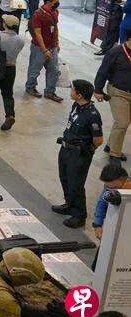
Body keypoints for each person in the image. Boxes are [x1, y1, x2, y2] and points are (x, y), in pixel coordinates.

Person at [54, 79, 103, 228]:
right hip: (66, 148)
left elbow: (98, 140)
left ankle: (79, 215)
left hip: (78, 154)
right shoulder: (76, 106)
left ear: (79, 95)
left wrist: (85, 150)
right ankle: (69, 204)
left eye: (73, 89)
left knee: (76, 183)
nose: (71, 91)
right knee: (65, 178)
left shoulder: (92, 115)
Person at [0, 15, 26, 131]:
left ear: (5, 24)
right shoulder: (21, 40)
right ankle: (10, 114)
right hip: (11, 68)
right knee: (7, 93)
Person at [95, 34, 131, 162]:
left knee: (123, 122)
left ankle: (110, 145)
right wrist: (98, 90)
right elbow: (103, 71)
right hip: (118, 92)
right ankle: (114, 154)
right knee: (122, 122)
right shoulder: (115, 52)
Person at [25, 0, 63, 102]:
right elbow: (38, 34)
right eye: (55, 1)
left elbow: (55, 28)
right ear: (48, 2)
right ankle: (30, 87)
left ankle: (50, 92)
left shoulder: (55, 12)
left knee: (54, 70)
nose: (57, 3)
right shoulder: (38, 15)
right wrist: (44, 49)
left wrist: (57, 43)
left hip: (52, 47)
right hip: (39, 48)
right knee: (34, 70)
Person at [94, 162, 131, 242]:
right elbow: (101, 203)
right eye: (107, 187)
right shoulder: (109, 188)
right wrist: (97, 225)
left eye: (115, 188)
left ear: (128, 181)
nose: (111, 192)